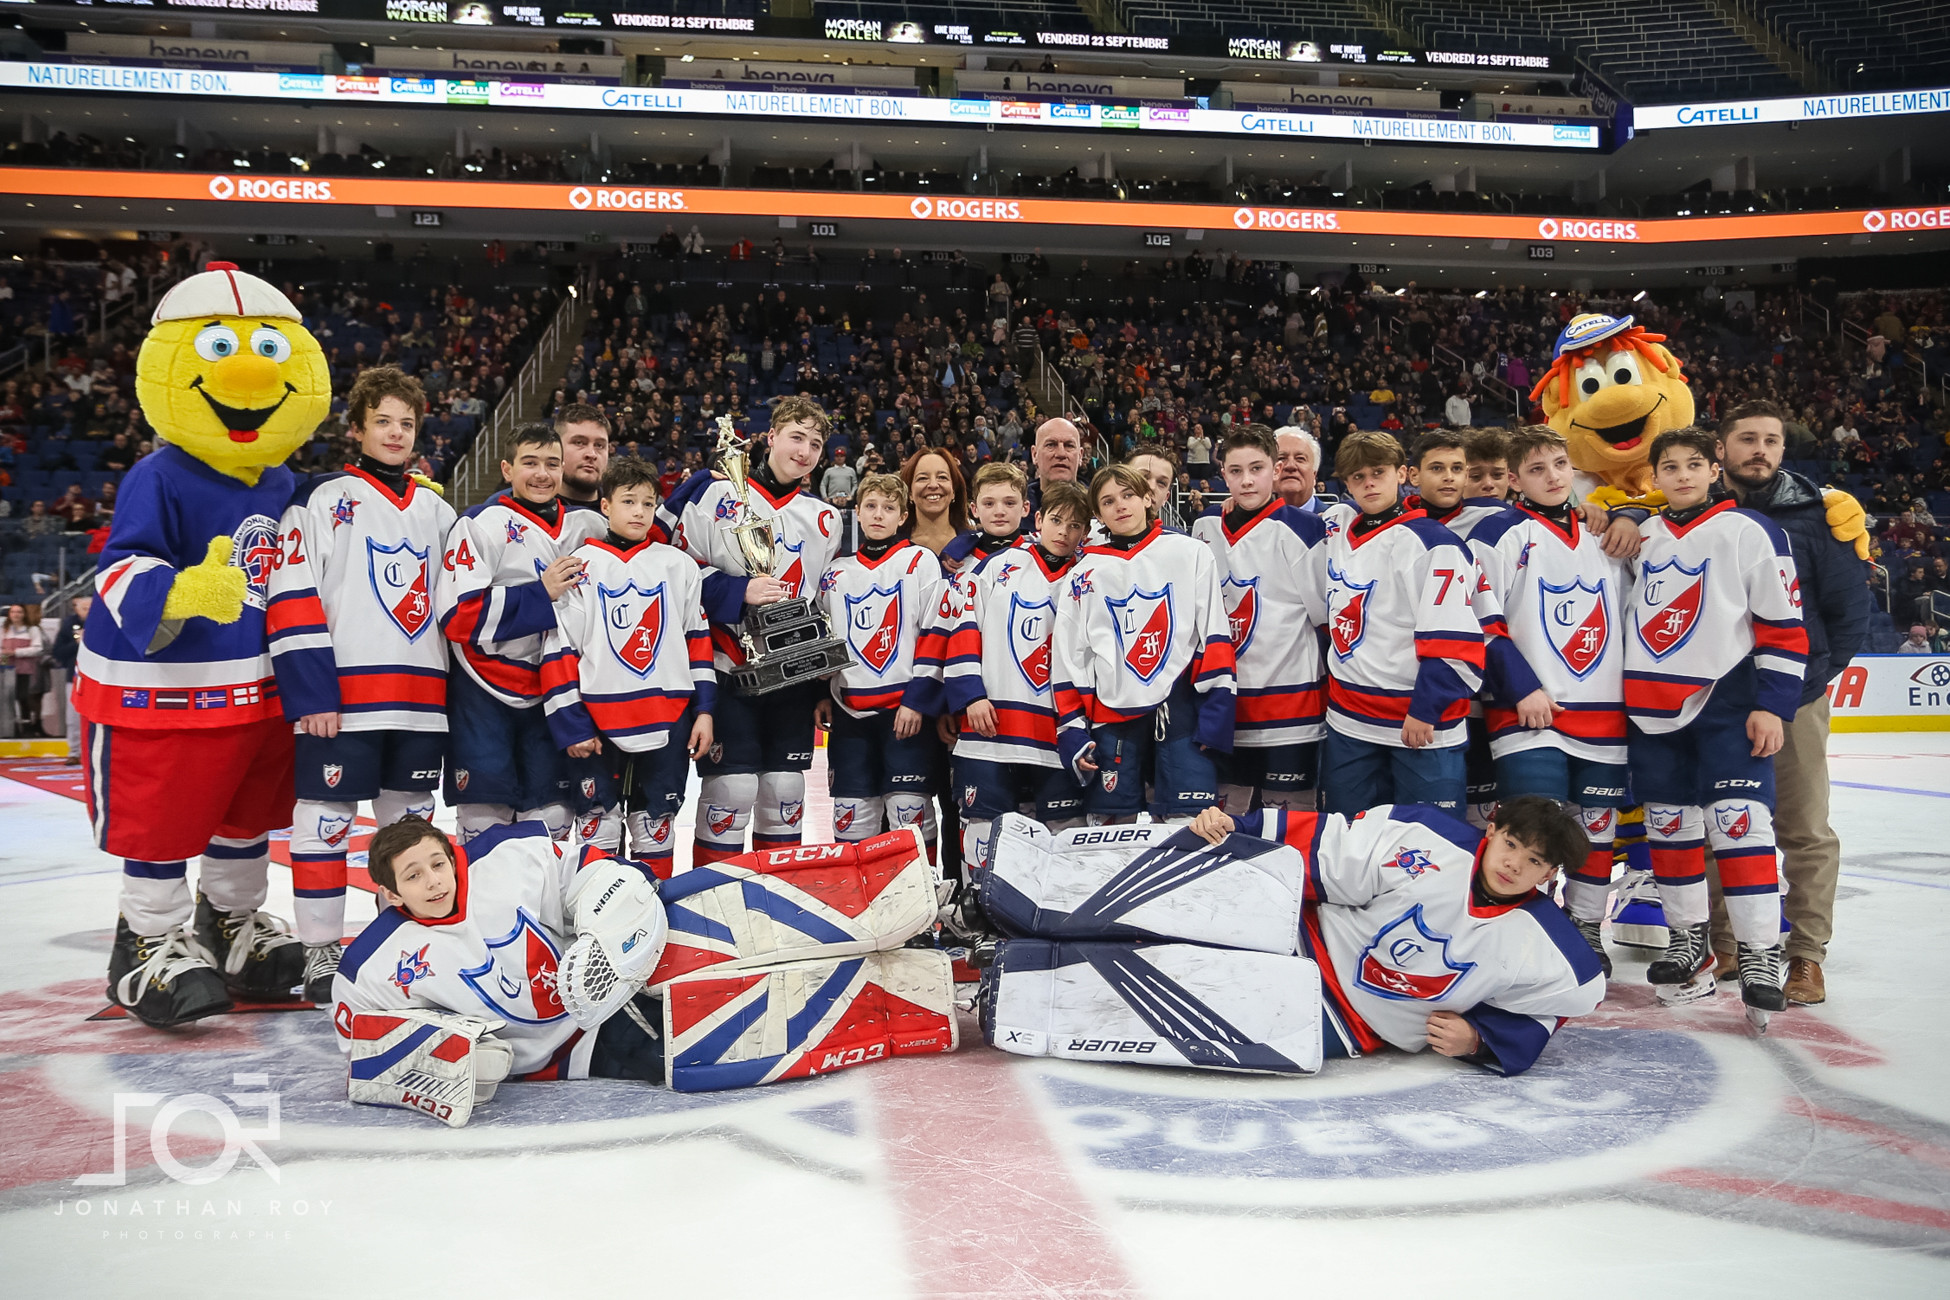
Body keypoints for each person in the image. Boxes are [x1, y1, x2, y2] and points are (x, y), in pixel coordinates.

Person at [981, 795, 1604, 1076]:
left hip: (1336, 1021)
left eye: (1535, 863)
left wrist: (1484, 1038)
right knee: (1181, 891)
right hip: (1297, 931)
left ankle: (1017, 984)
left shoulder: (1556, 953)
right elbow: (1326, 845)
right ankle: (1024, 889)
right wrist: (1238, 824)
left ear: (1552, 875)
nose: (1515, 865)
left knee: (1160, 990)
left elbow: (1553, 1009)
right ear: (1492, 828)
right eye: (1512, 844)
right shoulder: (1428, 840)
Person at [267, 365, 457, 1002]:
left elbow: (456, 606)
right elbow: (292, 594)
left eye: (407, 423)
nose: (396, 433)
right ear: (356, 429)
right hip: (343, 700)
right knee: (323, 822)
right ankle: (320, 953)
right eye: (383, 422)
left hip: (424, 702)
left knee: (410, 831)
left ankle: (397, 945)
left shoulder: (437, 508)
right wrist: (312, 694)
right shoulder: (321, 499)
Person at [1625, 427, 1807, 1014]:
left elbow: (1784, 626)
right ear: (1654, 477)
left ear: (1714, 469)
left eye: (1693, 465)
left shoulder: (1750, 531)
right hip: (1651, 713)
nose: (1681, 475)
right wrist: (1624, 515)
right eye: (1669, 467)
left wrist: (1773, 705)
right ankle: (1688, 941)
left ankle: (1757, 950)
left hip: (1727, 706)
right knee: (1670, 829)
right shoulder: (1643, 537)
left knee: (1738, 824)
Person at [330, 816, 668, 1110]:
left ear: (451, 857)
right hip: (534, 1066)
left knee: (695, 1044)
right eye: (413, 876)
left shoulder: (509, 856)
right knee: (678, 1060)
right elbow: (366, 1054)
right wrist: (450, 1054)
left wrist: (614, 901)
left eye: (437, 864)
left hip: (602, 1007)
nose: (433, 881)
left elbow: (596, 872)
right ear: (391, 894)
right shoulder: (368, 969)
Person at [1706, 400, 1868, 1005]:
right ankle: (1726, 944)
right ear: (1720, 449)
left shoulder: (1819, 515)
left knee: (1802, 830)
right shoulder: (1695, 509)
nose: (1760, 451)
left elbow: (1849, 613)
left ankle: (1805, 957)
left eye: (1771, 441)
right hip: (1715, 703)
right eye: (1747, 439)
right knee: (1722, 825)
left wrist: (1802, 687)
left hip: (1794, 700)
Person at [1467, 426, 1631, 973]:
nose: (1553, 476)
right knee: (1530, 834)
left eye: (1560, 464)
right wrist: (1521, 688)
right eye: (1537, 469)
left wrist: (1625, 514)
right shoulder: (1498, 532)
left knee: (1596, 829)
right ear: (1514, 480)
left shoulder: (1601, 531)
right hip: (1529, 712)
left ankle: (1585, 926)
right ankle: (1524, 933)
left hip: (1604, 710)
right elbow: (1481, 621)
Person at [653, 396, 839, 865]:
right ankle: (716, 904)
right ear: (770, 437)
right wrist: (737, 590)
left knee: (786, 790)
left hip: (794, 675)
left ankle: (777, 905)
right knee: (731, 791)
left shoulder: (827, 519)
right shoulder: (714, 495)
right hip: (727, 665)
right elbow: (668, 568)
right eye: (796, 437)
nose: (805, 450)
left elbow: (824, 598)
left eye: (815, 443)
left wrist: (822, 682)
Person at [540, 457, 715, 877]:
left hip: (669, 716)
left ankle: (657, 920)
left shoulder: (679, 566)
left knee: (657, 825)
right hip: (598, 723)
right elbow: (560, 648)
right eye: (628, 501)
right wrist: (573, 725)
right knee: (597, 827)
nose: (639, 511)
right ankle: (599, 921)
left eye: (647, 503)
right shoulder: (581, 566)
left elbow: (698, 642)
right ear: (606, 506)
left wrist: (705, 711)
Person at [436, 424, 603, 846]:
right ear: (507, 469)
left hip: (555, 691)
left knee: (551, 818)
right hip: (482, 693)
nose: (542, 474)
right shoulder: (479, 523)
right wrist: (540, 595)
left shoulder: (590, 526)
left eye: (551, 464)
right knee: (484, 821)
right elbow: (458, 615)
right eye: (530, 463)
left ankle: (545, 911)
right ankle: (484, 912)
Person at [922, 479, 1092, 872]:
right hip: (992, 727)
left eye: (1075, 526)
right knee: (982, 826)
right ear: (1038, 519)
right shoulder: (999, 567)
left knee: (1059, 833)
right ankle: (978, 912)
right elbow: (965, 629)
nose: (1064, 533)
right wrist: (970, 695)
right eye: (1056, 521)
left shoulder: (1088, 574)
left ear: (1086, 531)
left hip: (1056, 731)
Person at [1052, 464, 1234, 825]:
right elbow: (1070, 657)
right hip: (1110, 713)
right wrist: (1072, 728)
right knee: (1110, 824)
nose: (1120, 506)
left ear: (1148, 498)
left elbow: (1214, 630)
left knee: (1190, 824)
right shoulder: (1084, 573)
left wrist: (1217, 711)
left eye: (1128, 495)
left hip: (1182, 706)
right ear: (1098, 514)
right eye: (1108, 501)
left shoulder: (1190, 552)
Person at [1192, 425, 1329, 814]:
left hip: (1292, 706)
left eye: (1257, 468)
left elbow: (1324, 619)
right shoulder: (1204, 526)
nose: (1247, 480)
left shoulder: (1303, 528)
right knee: (1226, 823)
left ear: (1275, 468)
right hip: (1226, 706)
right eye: (1235, 471)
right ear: (1223, 473)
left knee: (1289, 827)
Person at [814, 473, 946, 850]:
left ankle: (923, 902)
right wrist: (822, 693)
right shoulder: (835, 573)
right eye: (870, 506)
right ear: (856, 512)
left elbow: (934, 636)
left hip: (906, 714)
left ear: (903, 515)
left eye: (889, 508)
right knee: (852, 814)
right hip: (848, 714)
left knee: (910, 813)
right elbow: (823, 642)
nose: (878, 515)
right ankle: (864, 906)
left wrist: (918, 700)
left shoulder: (920, 561)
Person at [943, 461, 1033, 571]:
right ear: (974, 509)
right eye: (989, 504)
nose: (999, 512)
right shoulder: (957, 562)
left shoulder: (1039, 557)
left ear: (1025, 508)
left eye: (1009, 503)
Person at [49, 593, 88, 761]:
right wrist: (77, 643)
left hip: (102, 679)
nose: (88, 611)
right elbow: (58, 653)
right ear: (77, 609)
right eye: (84, 608)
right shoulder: (68, 626)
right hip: (74, 677)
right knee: (73, 717)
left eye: (91, 608)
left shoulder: (106, 625)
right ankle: (75, 753)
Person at [556, 402, 613, 512]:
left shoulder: (624, 517)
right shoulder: (523, 518)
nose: (592, 454)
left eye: (599, 445)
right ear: (556, 447)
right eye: (579, 443)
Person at [2, 604, 44, 736]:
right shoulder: (4, 629)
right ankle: (11, 727)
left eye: (19, 612)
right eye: (13, 612)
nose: (16, 615)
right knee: (7, 698)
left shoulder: (32, 630)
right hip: (6, 669)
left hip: (24, 668)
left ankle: (26, 727)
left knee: (23, 697)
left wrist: (16, 652)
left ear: (24, 614)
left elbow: (38, 648)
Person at [1274, 426, 1325, 512]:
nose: (1290, 466)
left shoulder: (1339, 523)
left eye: (1300, 459)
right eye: (1281, 458)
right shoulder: (1251, 524)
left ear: (1314, 474)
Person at [1463, 428, 1513, 501]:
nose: (1488, 484)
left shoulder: (1524, 512)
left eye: (1497, 475)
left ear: (1509, 478)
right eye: (1476, 476)